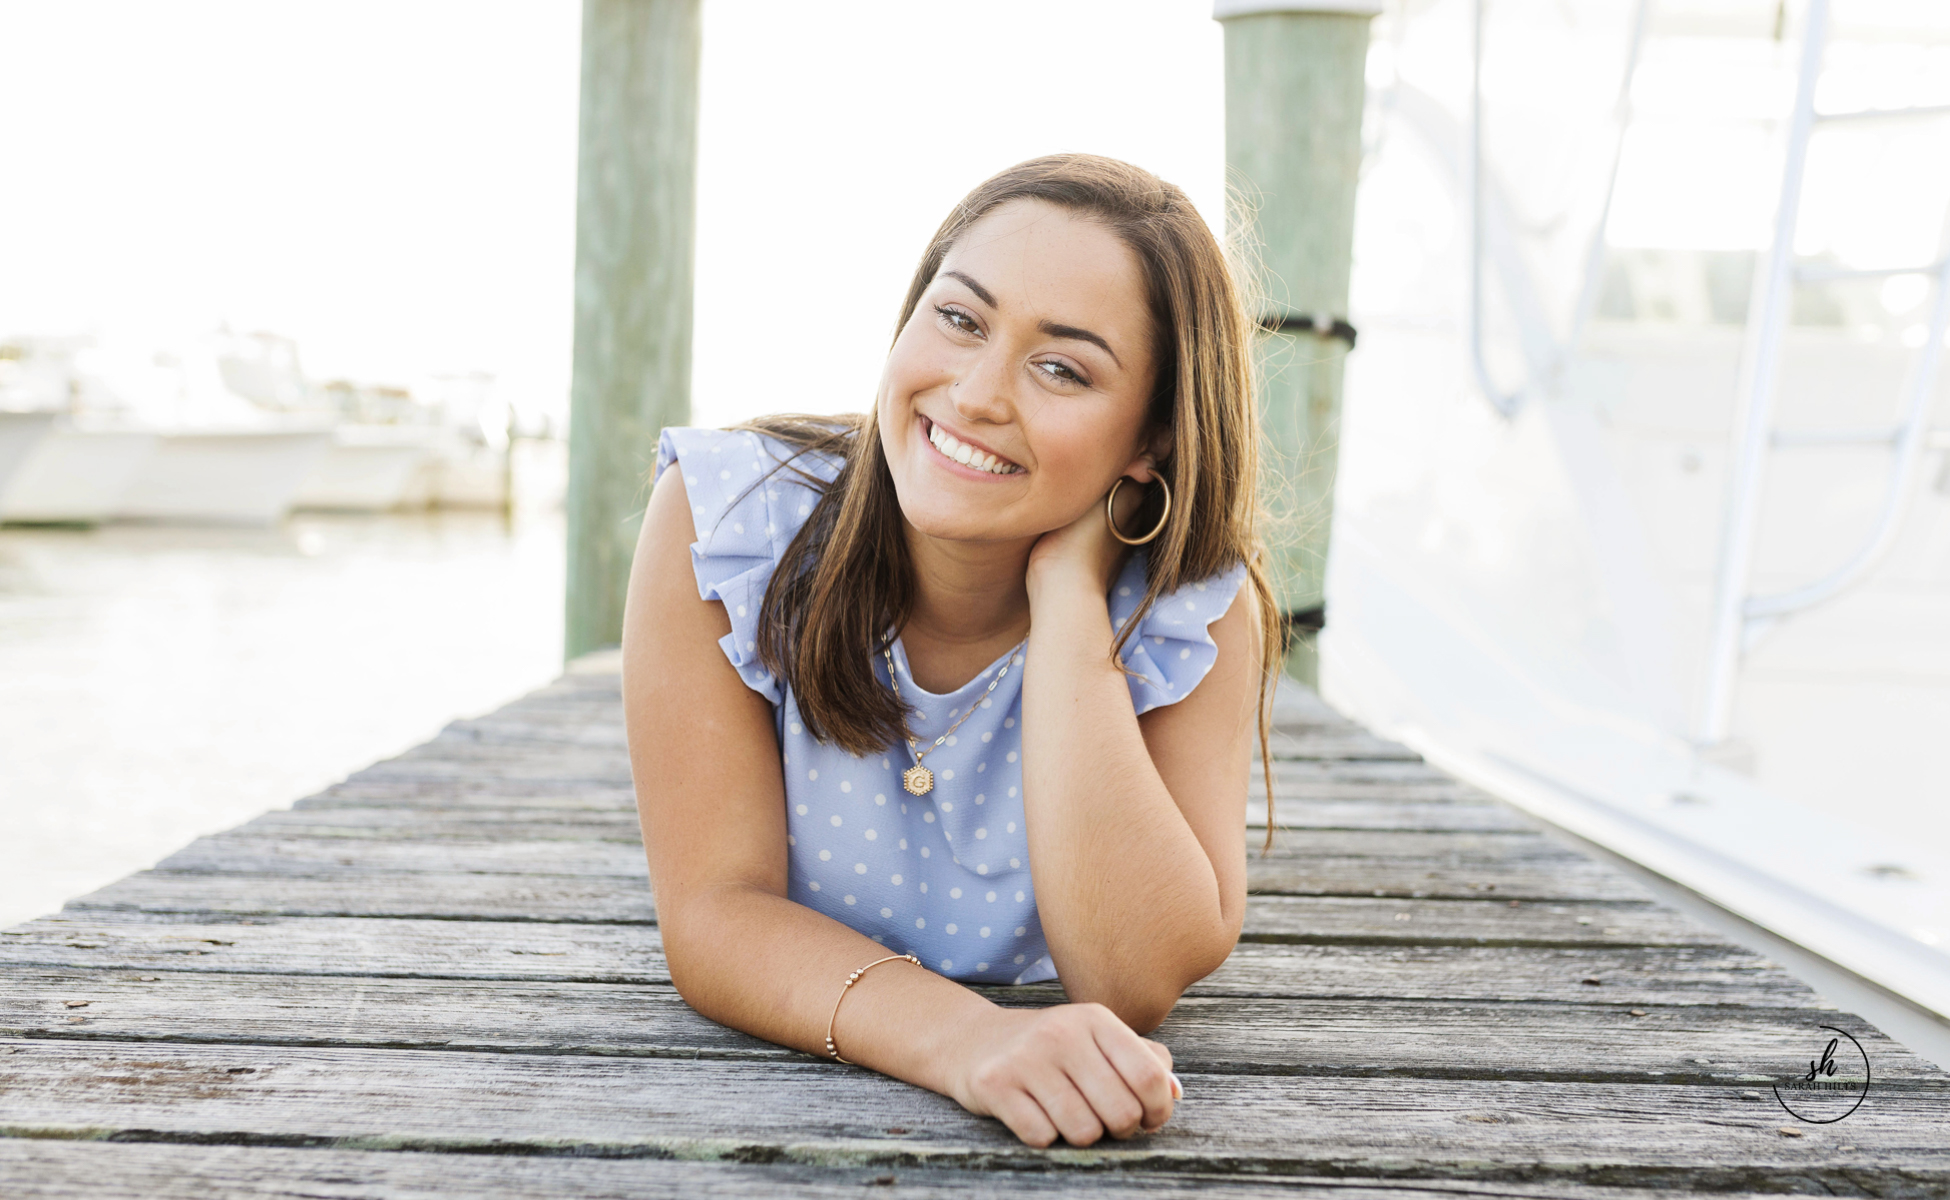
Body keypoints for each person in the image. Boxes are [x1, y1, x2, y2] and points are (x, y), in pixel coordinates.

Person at [621, 153, 1282, 1148]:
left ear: (1150, 439)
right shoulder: (729, 523)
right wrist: (970, 1043)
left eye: (1061, 367)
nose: (974, 394)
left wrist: (1069, 597)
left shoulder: (1192, 612)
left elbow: (1132, 973)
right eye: (961, 319)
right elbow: (716, 915)